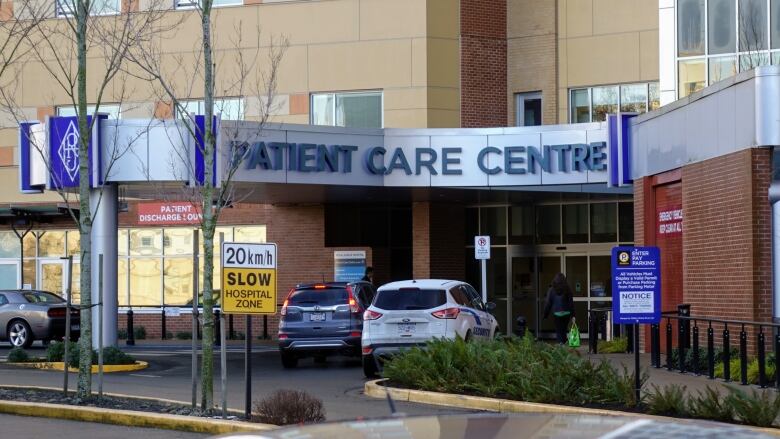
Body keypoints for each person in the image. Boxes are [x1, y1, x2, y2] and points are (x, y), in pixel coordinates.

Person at [543, 272, 575, 344]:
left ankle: (561, 345)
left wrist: (545, 314)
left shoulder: (551, 290)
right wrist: (573, 315)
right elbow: (571, 303)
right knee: (564, 329)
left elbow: (548, 303)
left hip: (557, 313)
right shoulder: (568, 289)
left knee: (559, 330)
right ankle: (563, 343)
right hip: (566, 313)